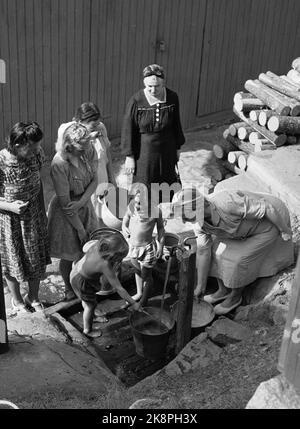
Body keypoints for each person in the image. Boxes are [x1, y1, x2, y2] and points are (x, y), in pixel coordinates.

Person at [171, 186, 294, 315]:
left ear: (199, 207)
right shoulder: (199, 223)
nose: (184, 221)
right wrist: (200, 286)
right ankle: (222, 291)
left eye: (186, 216)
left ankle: (235, 297)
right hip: (240, 230)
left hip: (270, 221)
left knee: (239, 260)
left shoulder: (227, 204)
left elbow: (268, 208)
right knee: (215, 251)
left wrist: (285, 230)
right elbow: (203, 251)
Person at [0, 122, 51, 313]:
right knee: (12, 262)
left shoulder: (37, 154)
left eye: (38, 145)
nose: (37, 150)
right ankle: (17, 300)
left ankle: (34, 297)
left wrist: (43, 210)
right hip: (9, 221)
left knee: (35, 259)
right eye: (32, 146)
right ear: (18, 144)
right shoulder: (1, 161)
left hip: (34, 217)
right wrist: (10, 207)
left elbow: (39, 183)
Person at [47, 122, 98, 301]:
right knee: (70, 254)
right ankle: (69, 288)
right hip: (66, 214)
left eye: (87, 146)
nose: (86, 151)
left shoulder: (88, 150)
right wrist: (80, 229)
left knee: (86, 251)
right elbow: (66, 205)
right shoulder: (59, 163)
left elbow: (95, 180)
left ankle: (82, 284)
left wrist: (83, 202)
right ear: (69, 145)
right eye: (81, 149)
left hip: (84, 206)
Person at [121, 64, 185, 202]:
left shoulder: (172, 98)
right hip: (145, 152)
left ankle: (164, 216)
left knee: (167, 183)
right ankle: (146, 217)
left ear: (163, 83)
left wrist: (177, 148)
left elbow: (176, 124)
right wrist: (129, 157)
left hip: (167, 149)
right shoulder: (136, 101)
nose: (153, 89)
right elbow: (128, 129)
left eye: (157, 86)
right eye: (149, 86)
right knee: (145, 185)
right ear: (144, 83)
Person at [70, 230, 140, 338]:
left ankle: (92, 315)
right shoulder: (105, 265)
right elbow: (119, 288)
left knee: (87, 300)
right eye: (119, 258)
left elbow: (85, 248)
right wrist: (133, 303)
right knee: (90, 305)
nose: (120, 261)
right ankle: (87, 330)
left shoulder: (96, 245)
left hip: (75, 272)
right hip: (82, 282)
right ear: (113, 255)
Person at [73, 102, 117, 223]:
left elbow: (107, 155)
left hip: (102, 182)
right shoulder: (72, 135)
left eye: (98, 123)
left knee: (104, 220)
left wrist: (112, 179)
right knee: (87, 222)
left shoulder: (101, 127)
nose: (97, 127)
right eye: (93, 126)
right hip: (85, 189)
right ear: (79, 122)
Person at [122, 184, 165, 305]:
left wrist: (161, 246)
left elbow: (161, 228)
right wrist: (124, 227)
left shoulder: (155, 211)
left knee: (147, 276)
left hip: (147, 249)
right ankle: (139, 292)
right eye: (136, 202)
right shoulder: (131, 207)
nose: (138, 206)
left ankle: (144, 300)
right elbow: (126, 218)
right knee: (137, 270)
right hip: (133, 247)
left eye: (141, 203)